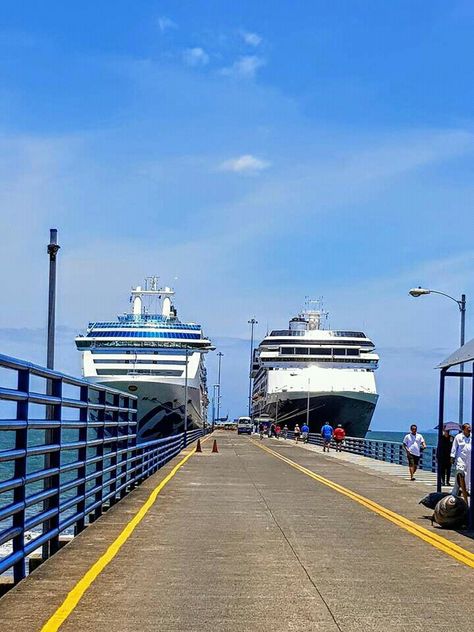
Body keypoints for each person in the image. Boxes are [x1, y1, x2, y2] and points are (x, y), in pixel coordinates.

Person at [451, 423, 471, 504]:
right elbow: (454, 447)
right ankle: (457, 491)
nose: (469, 429)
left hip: (470, 458)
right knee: (460, 472)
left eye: (470, 428)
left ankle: (467, 490)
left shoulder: (472, 436)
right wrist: (452, 456)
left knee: (468, 475)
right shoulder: (458, 437)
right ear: (463, 429)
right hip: (461, 459)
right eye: (468, 428)